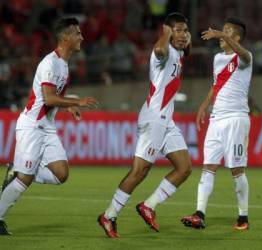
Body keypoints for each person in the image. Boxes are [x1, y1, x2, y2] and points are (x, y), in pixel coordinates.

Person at [0, 17, 98, 235]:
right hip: (33, 126)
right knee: (24, 180)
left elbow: (54, 98)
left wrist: (68, 106)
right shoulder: (50, 63)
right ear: (65, 37)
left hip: (47, 127)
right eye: (78, 33)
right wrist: (76, 101)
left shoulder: (63, 65)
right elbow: (48, 99)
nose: (82, 37)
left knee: (60, 174)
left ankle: (18, 169)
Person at [98, 12, 192, 238]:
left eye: (185, 30)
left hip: (165, 120)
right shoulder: (164, 50)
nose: (183, 34)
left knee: (184, 168)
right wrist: (166, 34)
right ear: (167, 30)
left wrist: (182, 39)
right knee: (139, 171)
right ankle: (109, 215)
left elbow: (181, 48)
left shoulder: (178, 53)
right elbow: (159, 50)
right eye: (178, 29)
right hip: (154, 118)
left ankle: (148, 205)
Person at [181, 17, 252, 231]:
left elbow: (244, 54)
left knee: (237, 170)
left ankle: (243, 218)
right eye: (222, 31)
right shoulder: (218, 58)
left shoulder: (246, 58)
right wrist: (204, 104)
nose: (222, 35)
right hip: (216, 119)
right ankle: (199, 214)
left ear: (236, 37)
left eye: (227, 32)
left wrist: (222, 35)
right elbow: (216, 84)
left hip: (236, 118)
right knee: (208, 167)